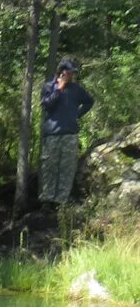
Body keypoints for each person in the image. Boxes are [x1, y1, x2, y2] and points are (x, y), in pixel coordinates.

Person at [39, 57, 95, 207]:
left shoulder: (77, 89)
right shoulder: (48, 87)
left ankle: (61, 201)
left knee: (67, 168)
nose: (71, 75)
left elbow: (89, 101)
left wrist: (77, 114)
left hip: (70, 134)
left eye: (73, 73)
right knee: (50, 167)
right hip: (52, 134)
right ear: (62, 72)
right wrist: (59, 88)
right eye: (69, 72)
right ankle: (48, 200)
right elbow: (46, 106)